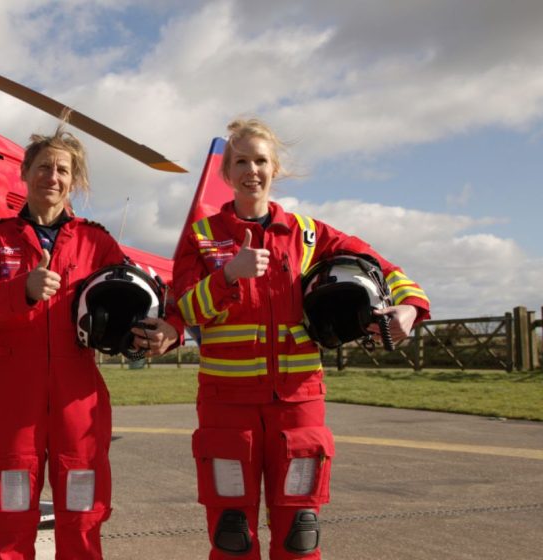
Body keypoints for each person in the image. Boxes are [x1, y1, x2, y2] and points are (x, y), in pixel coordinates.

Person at [172, 118, 432, 560]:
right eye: (240, 161)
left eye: (260, 160)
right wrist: (227, 277)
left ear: (275, 169)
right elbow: (183, 311)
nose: (251, 170)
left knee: (300, 531)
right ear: (226, 173)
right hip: (226, 407)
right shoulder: (201, 237)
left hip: (299, 405)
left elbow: (383, 267)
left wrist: (410, 308)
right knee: (231, 533)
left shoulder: (309, 235)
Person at [0, 125, 181, 559]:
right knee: (11, 505)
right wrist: (23, 288)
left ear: (73, 179)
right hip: (14, 391)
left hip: (78, 392)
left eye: (63, 169)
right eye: (44, 167)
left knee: (82, 509)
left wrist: (169, 333)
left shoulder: (95, 241)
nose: (53, 177)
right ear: (25, 173)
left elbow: (146, 295)